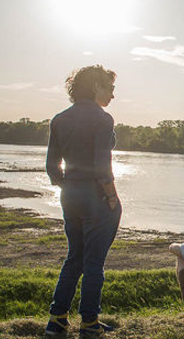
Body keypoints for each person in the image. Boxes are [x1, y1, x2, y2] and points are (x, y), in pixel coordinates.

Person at [44, 65, 121, 339]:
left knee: (74, 257)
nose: (113, 94)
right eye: (110, 88)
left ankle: (57, 320)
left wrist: (70, 186)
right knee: (93, 262)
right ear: (96, 86)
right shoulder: (103, 119)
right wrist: (111, 196)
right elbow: (102, 166)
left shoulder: (59, 119)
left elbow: (52, 167)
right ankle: (89, 322)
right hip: (96, 197)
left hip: (70, 195)